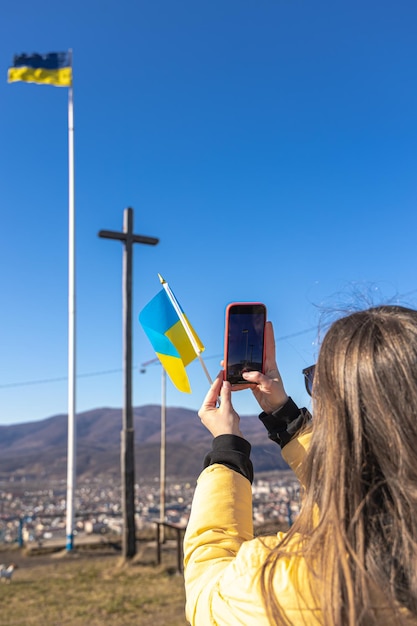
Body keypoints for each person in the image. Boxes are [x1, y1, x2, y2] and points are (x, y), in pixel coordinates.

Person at [183, 306, 417, 626]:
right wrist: (285, 417)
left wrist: (227, 450)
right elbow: (356, 488)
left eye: (317, 381)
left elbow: (206, 592)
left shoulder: (292, 580)